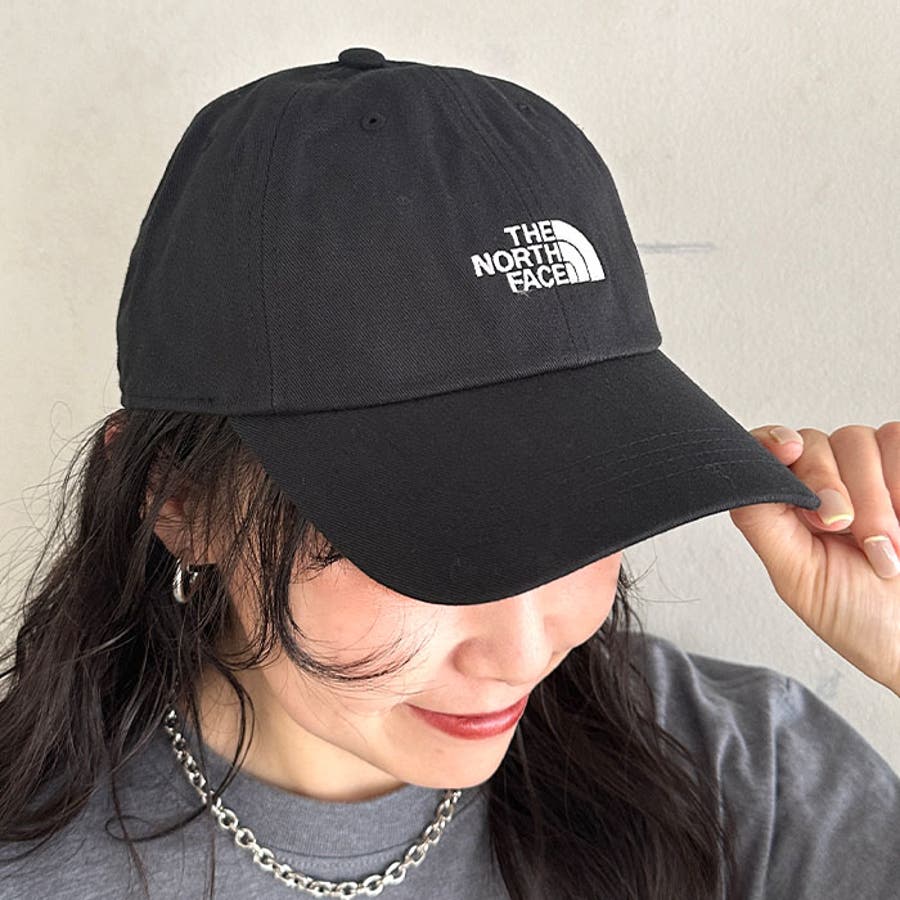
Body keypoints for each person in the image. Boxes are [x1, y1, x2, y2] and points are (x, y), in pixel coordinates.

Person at [0, 47, 897, 900]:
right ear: (178, 500)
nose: (523, 654)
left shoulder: (747, 778)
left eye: (591, 508)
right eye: (426, 542)